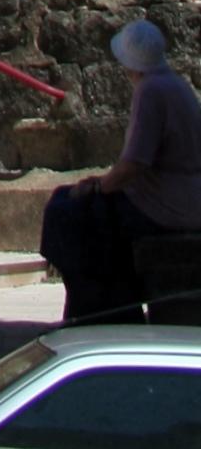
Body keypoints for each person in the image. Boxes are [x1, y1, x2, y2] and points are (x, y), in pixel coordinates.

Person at [40, 17, 201, 322]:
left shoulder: (150, 90)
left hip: (165, 207)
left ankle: (98, 310)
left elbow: (133, 165)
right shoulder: (176, 84)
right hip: (186, 201)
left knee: (66, 209)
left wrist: (98, 186)